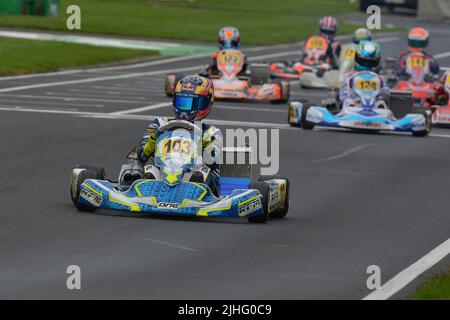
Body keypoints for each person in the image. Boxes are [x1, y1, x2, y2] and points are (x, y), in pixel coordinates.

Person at [137, 75, 222, 195]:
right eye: (181, 102)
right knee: (150, 169)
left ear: (206, 103)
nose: (185, 109)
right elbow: (141, 156)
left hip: (194, 177)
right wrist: (154, 139)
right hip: (163, 172)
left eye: (193, 103)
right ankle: (149, 185)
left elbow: (215, 166)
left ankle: (195, 186)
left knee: (203, 172)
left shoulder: (211, 132)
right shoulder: (160, 124)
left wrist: (205, 145)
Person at [339, 40, 389, 106]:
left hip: (375, 107)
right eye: (363, 61)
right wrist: (352, 95)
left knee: (381, 103)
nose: (366, 64)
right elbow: (342, 95)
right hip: (353, 106)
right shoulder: (349, 77)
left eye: (371, 62)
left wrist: (380, 94)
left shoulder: (380, 78)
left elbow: (387, 94)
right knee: (348, 101)